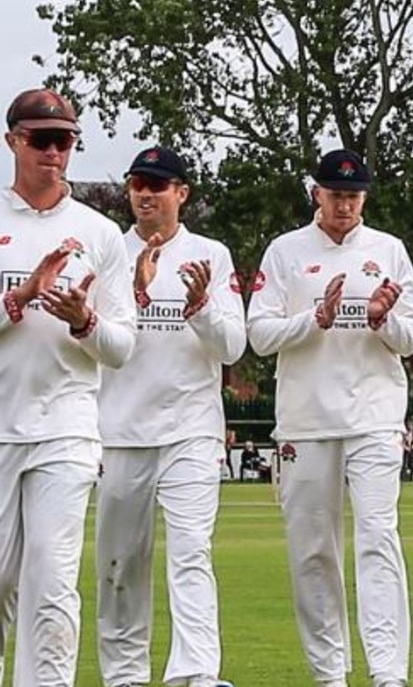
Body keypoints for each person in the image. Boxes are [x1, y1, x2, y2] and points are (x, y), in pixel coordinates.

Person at [247, 149, 413, 687]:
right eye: (334, 194)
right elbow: (258, 334)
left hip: (374, 415)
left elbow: (412, 336)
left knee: (378, 538)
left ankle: (388, 673)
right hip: (306, 419)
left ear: (364, 197)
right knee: (313, 551)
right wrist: (313, 319)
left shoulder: (388, 251)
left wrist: (381, 320)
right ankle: (329, 674)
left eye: (352, 195)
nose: (344, 204)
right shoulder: (286, 252)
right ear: (316, 193)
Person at [0, 87, 136, 684]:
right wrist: (20, 299)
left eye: (64, 141)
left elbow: (122, 347)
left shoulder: (100, 234)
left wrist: (84, 320)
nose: (53, 153)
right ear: (13, 142)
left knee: (52, 585)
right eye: (40, 140)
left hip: (66, 428)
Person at [96, 146, 245, 687]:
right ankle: (124, 675)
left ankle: (197, 672)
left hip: (191, 429)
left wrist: (201, 305)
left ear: (181, 193)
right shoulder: (107, 250)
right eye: (138, 183)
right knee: (120, 563)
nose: (145, 193)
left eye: (158, 185)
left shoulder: (210, 253)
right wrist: (133, 291)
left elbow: (232, 347)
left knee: (190, 551)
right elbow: (97, 337)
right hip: (120, 429)